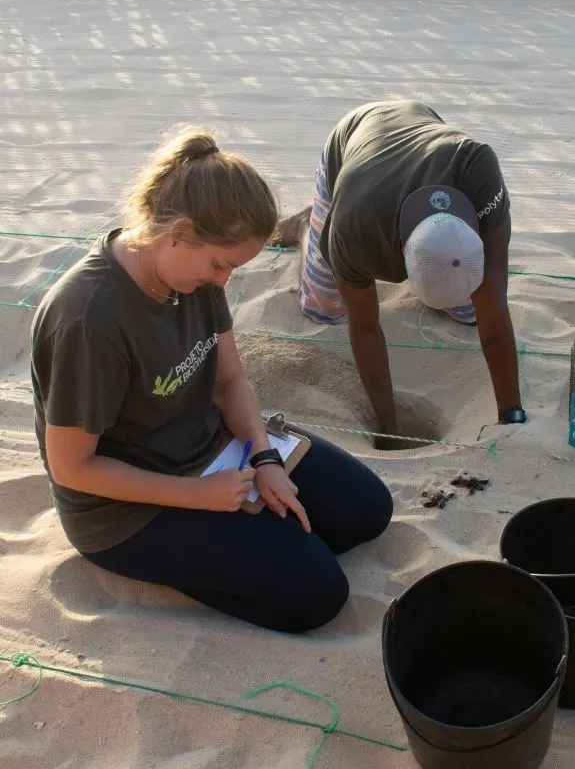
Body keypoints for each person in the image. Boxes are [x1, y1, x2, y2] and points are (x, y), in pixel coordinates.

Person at [30, 126, 393, 634]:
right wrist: (198, 496)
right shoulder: (89, 319)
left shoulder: (189, 273)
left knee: (366, 511)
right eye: (221, 265)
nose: (223, 281)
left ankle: (251, 537)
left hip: (213, 448)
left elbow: (228, 382)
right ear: (177, 231)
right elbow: (73, 468)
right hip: (123, 510)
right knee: (318, 594)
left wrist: (264, 457)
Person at [276, 100, 528, 439]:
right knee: (323, 308)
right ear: (398, 255)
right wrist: (388, 429)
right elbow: (365, 329)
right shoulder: (354, 230)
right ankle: (309, 225)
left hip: (417, 125)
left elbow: (494, 304)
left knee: (472, 313)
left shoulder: (477, 167)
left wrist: (511, 413)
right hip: (353, 144)